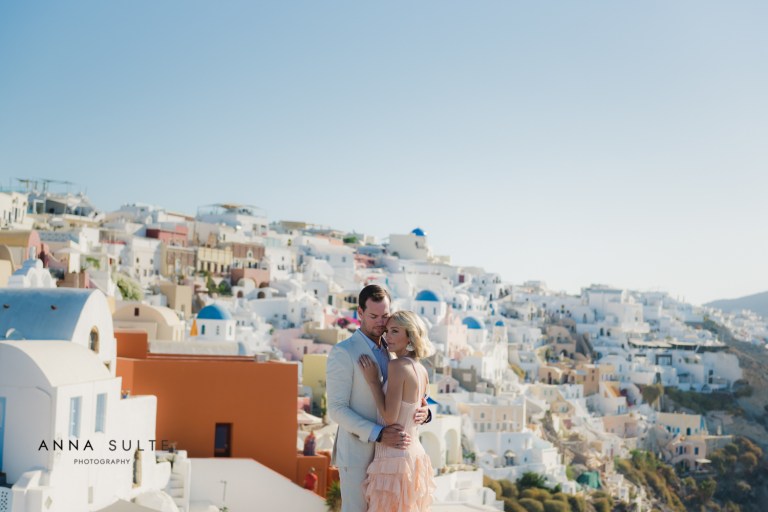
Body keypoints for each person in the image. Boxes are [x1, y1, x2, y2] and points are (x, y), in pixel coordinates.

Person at [327, 285, 431, 512]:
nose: (381, 323)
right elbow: (336, 409)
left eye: (385, 316)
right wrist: (379, 434)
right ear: (360, 314)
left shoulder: (393, 349)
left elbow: (416, 392)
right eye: (373, 316)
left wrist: (427, 413)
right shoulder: (344, 352)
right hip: (357, 453)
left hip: (392, 457)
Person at [358, 310, 436, 511]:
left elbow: (390, 416)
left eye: (394, 331)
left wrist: (374, 382)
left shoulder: (398, 366)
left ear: (410, 336)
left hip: (394, 459)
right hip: (415, 457)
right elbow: (419, 408)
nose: (387, 336)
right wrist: (427, 414)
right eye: (387, 331)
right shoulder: (421, 370)